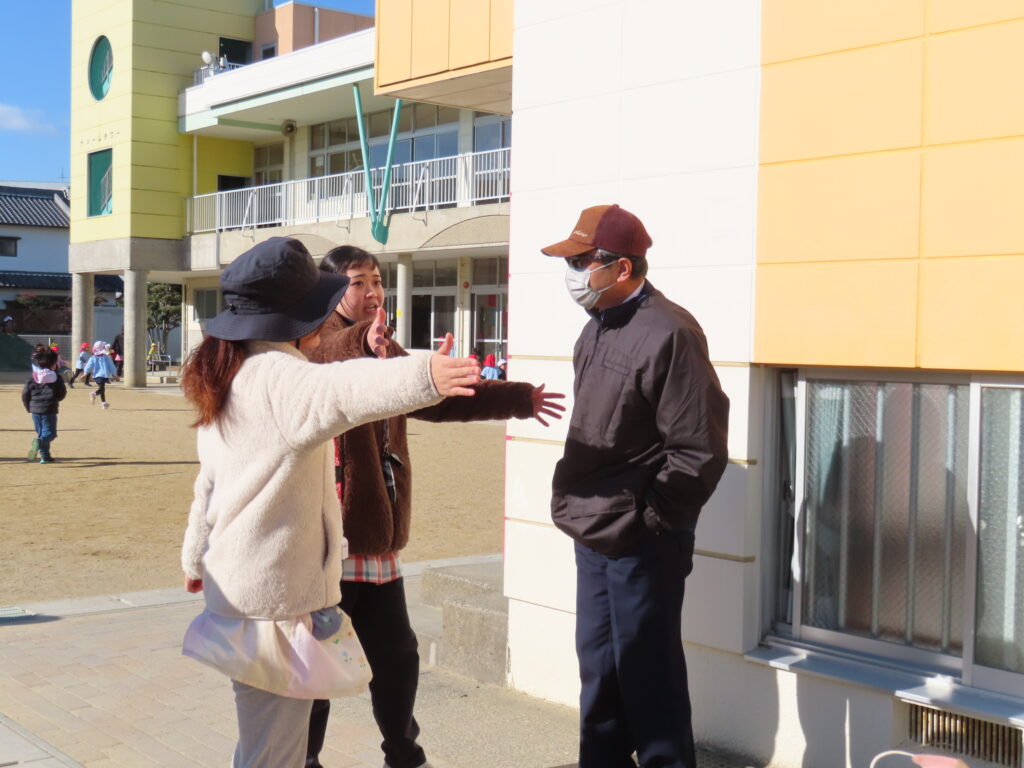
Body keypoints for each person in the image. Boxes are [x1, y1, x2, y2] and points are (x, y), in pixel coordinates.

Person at [179, 237, 481, 768]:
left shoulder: (231, 371)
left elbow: (209, 484)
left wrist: (193, 557)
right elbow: (343, 390)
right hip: (273, 599)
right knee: (275, 752)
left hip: (242, 587)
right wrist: (424, 375)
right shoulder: (279, 376)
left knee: (264, 742)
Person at [304, 245, 565, 768]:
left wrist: (518, 399)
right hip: (332, 545)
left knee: (398, 659)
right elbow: (328, 357)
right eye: (358, 282)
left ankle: (404, 755)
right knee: (318, 668)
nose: (373, 292)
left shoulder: (383, 346)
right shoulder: (315, 342)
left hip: (380, 544)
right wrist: (363, 342)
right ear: (330, 290)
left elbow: (438, 396)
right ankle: (303, 759)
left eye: (376, 280)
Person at [540, 204, 730, 768]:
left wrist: (652, 520)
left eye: (582, 261)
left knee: (650, 676)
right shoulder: (594, 327)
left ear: (621, 267)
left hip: (643, 539)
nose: (573, 273)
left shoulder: (671, 332)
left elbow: (699, 449)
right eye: (570, 261)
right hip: (593, 530)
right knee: (599, 671)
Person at [22, 346, 67, 464]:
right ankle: (39, 443)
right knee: (50, 433)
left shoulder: (32, 378)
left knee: (42, 433)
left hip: (35, 410)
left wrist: (28, 407)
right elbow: (62, 393)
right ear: (53, 364)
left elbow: (25, 394)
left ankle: (45, 456)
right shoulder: (56, 377)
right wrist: (57, 399)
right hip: (49, 409)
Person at [83, 341, 117, 409]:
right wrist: (114, 374)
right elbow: (111, 366)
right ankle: (94, 394)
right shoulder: (106, 357)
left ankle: (104, 403)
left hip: (96, 375)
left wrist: (85, 373)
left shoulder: (93, 357)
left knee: (102, 388)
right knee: (102, 388)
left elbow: (88, 366)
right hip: (103, 375)